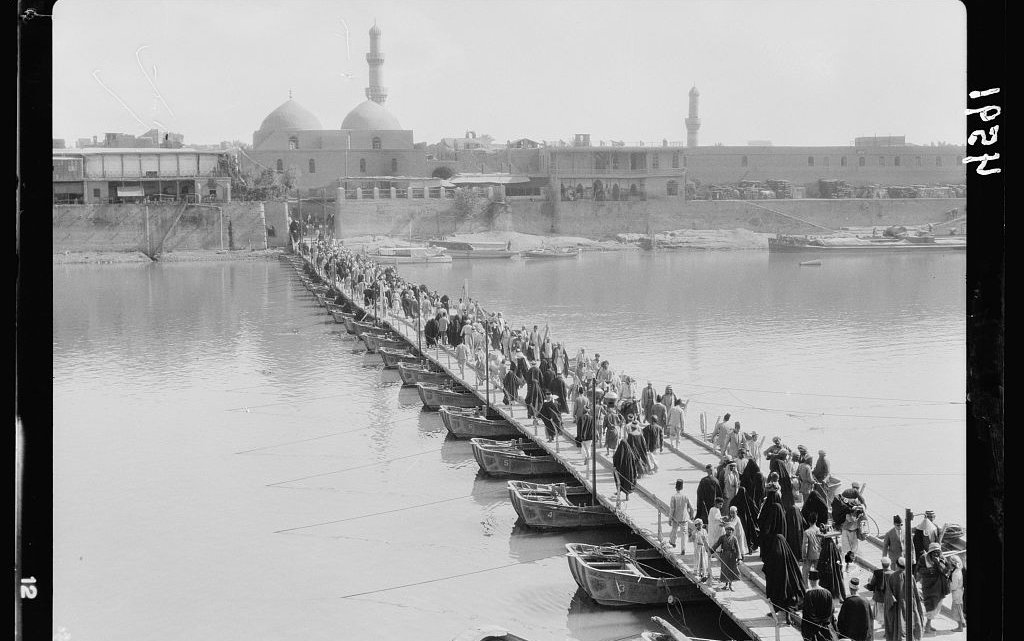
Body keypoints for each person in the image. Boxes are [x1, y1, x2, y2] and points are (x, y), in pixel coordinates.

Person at [762, 533, 806, 625]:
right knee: (788, 599)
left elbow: (767, 567)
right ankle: (788, 617)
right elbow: (796, 569)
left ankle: (775, 612)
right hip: (789, 582)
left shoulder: (773, 552)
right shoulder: (788, 552)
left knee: (777, 597)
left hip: (777, 582)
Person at [883, 557, 923, 641]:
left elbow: (889, 596)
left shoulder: (892, 576)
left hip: (897, 607)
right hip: (910, 606)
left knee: (899, 627)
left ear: (897, 565)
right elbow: (915, 594)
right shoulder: (910, 576)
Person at [916, 542, 950, 633]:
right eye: (934, 552)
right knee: (930, 604)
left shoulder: (942, 558)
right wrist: (930, 570)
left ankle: (928, 624)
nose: (936, 553)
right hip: (929, 585)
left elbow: (947, 569)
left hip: (939, 584)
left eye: (938, 551)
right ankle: (927, 625)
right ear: (930, 552)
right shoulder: (924, 558)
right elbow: (919, 569)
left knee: (937, 604)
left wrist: (938, 563)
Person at [612, 416, 647, 501]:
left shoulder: (630, 436)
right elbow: (643, 444)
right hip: (636, 457)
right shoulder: (640, 434)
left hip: (628, 459)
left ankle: (619, 492)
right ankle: (628, 495)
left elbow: (616, 457)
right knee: (630, 478)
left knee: (621, 479)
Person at [801, 571, 838, 641]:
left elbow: (807, 613)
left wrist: (816, 623)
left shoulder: (808, 594)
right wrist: (823, 622)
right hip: (825, 628)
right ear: (818, 580)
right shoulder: (827, 593)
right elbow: (831, 611)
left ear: (810, 581)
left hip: (812, 629)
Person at [709, 523, 742, 591]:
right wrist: (711, 550)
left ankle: (731, 584)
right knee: (725, 569)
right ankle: (726, 584)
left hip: (732, 556)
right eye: (728, 529)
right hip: (724, 555)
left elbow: (738, 548)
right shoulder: (722, 537)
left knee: (732, 569)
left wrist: (739, 558)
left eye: (730, 530)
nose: (729, 531)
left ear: (732, 531)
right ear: (725, 530)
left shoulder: (734, 538)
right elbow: (717, 544)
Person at [667, 479, 695, 552]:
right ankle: (683, 548)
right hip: (684, 518)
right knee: (684, 534)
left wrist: (670, 519)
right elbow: (691, 507)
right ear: (682, 487)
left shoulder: (674, 497)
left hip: (675, 518)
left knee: (674, 530)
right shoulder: (685, 496)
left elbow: (672, 509)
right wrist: (692, 516)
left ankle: (672, 543)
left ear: (676, 487)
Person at [866, 557, 892, 628]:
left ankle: (884, 624)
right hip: (889, 598)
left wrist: (868, 584)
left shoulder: (877, 572)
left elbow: (872, 584)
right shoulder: (893, 573)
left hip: (879, 597)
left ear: (882, 564)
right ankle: (886, 625)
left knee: (880, 613)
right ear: (889, 564)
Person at [948, 555, 965, 632]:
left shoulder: (955, 574)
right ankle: (962, 624)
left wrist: (949, 586)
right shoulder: (958, 571)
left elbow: (954, 586)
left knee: (957, 610)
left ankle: (960, 627)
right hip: (960, 591)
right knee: (959, 609)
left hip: (956, 593)